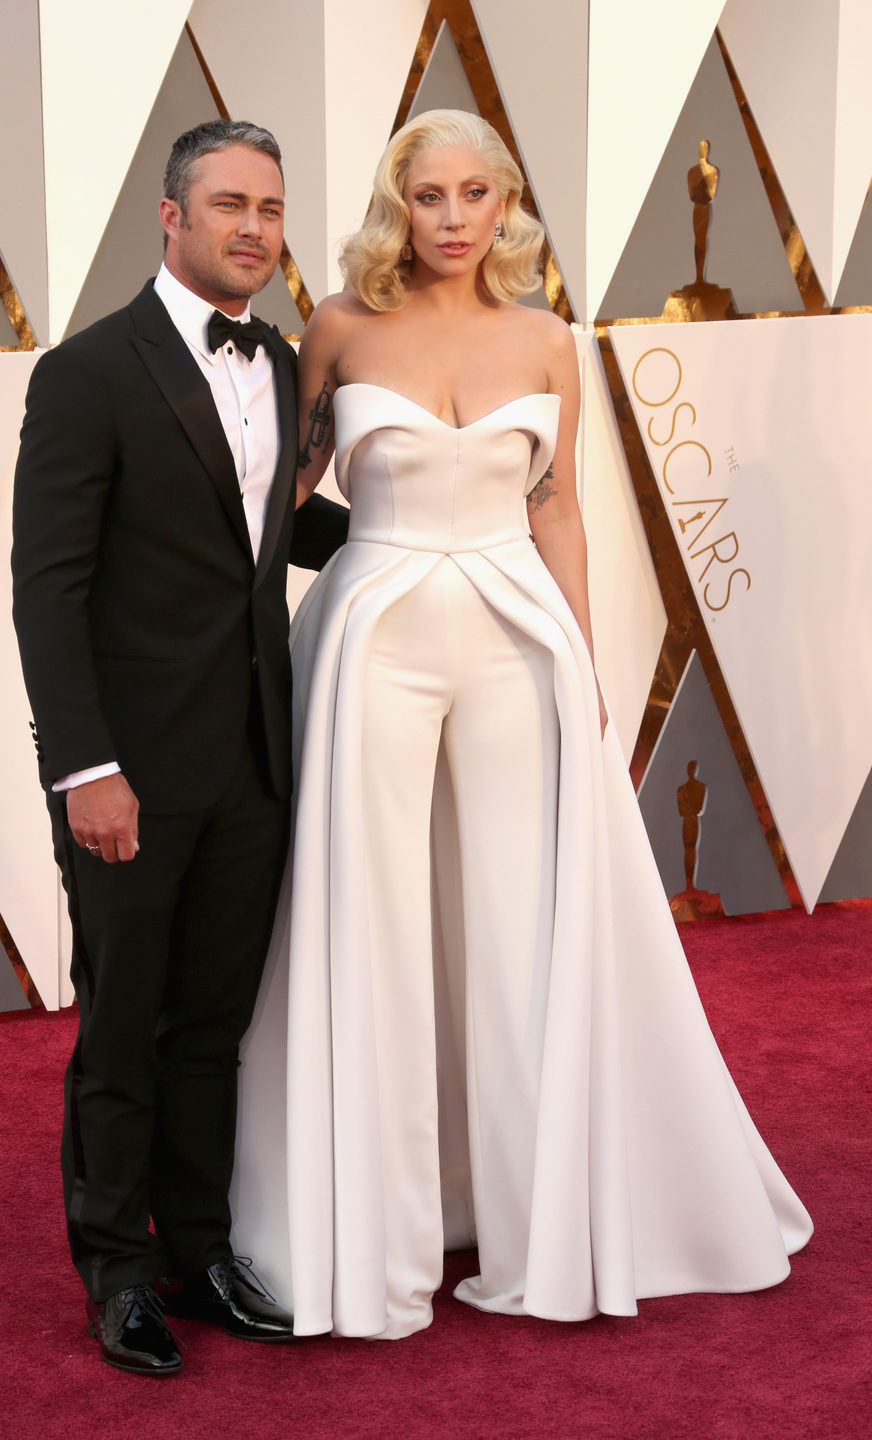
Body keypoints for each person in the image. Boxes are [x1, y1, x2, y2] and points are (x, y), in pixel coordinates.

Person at [230, 109, 812, 1340]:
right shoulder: (339, 325)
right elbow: (277, 502)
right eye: (429, 195)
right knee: (368, 919)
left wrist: (587, 663)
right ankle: (366, 1234)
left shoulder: (550, 339)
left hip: (513, 638)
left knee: (514, 921)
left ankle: (523, 1213)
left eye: (475, 194)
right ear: (401, 205)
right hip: (370, 633)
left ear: (506, 206)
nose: (452, 218)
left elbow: (557, 511)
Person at [11, 119, 347, 1375]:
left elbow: (267, 538)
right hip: (131, 776)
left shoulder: (290, 362)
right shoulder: (88, 373)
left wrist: (426, 540)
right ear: (170, 214)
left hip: (259, 762)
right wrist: (83, 767)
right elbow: (49, 590)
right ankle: (116, 1274)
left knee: (213, 1026)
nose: (254, 228)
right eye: (228, 205)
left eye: (269, 206)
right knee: (124, 1023)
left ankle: (198, 1248)